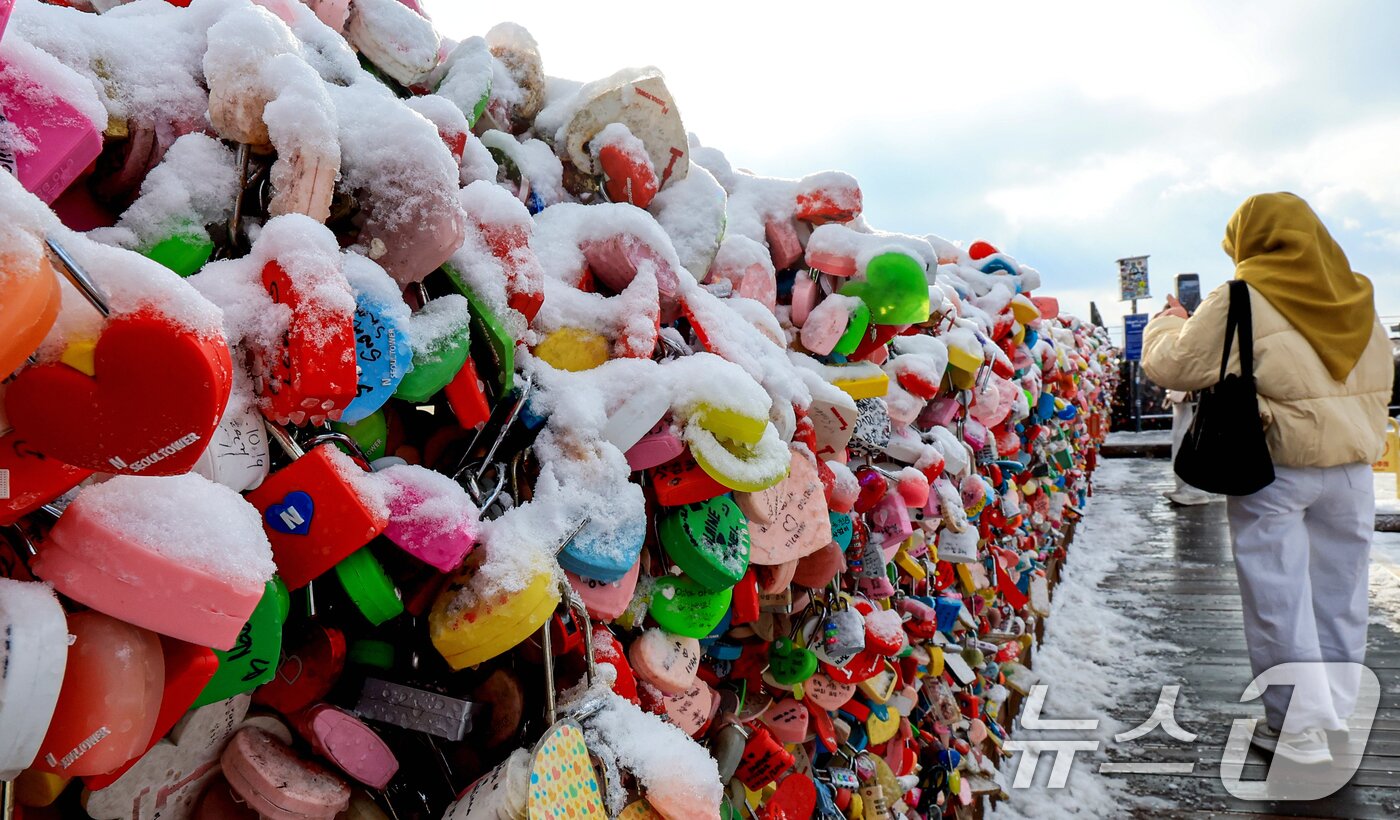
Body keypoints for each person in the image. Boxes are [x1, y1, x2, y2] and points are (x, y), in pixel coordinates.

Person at [1141, 192, 1395, 765]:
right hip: (1352, 470)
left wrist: (1165, 325)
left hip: (1276, 466)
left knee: (1277, 596)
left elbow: (1175, 365)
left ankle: (1299, 730)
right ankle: (1335, 715)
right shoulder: (1357, 295)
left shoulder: (1241, 295)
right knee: (1341, 595)